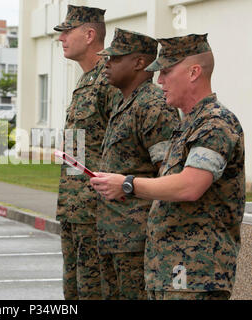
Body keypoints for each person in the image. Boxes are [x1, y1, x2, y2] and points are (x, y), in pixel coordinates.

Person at [91, 34, 245, 300]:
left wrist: (128, 184)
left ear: (194, 72)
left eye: (166, 71)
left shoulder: (215, 123)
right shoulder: (189, 124)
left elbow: (190, 186)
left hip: (195, 273)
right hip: (169, 269)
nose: (159, 80)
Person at [94, 28, 180, 299]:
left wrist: (127, 186)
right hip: (114, 236)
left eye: (115, 58)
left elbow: (168, 176)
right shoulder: (124, 102)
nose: (106, 64)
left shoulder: (154, 106)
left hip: (137, 241)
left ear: (140, 63)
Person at [54, 5, 120, 300]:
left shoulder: (109, 82)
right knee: (74, 293)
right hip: (74, 210)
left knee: (93, 293)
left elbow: (121, 149)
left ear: (90, 34)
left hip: (96, 214)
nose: (61, 38)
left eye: (68, 32)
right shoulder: (85, 80)